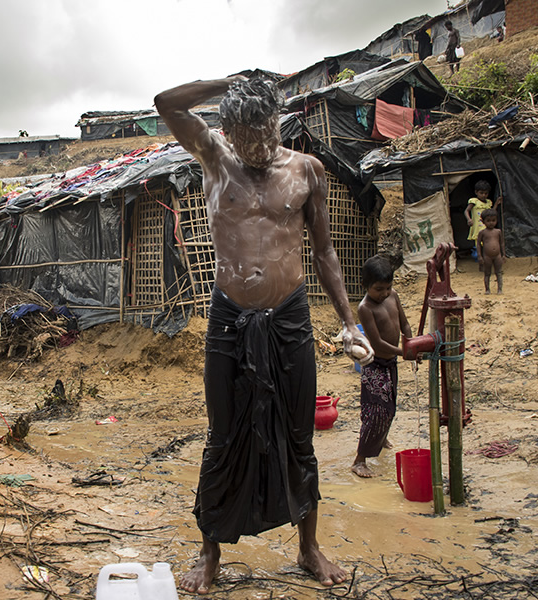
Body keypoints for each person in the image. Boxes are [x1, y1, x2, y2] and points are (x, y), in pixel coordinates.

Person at [155, 76, 374, 594]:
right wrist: (227, 82)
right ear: (228, 130)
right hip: (230, 318)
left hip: (290, 317)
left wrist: (349, 323)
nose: (259, 147)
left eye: (266, 132)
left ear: (277, 122)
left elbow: (324, 253)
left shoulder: (307, 171)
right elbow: (165, 103)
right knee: (223, 433)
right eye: (246, 135)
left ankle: (308, 547)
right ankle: (210, 552)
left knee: (299, 433)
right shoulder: (214, 156)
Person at [352, 256, 412, 478]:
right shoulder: (365, 308)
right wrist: (405, 351)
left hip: (391, 362)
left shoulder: (393, 296)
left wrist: (410, 339)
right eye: (379, 289)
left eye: (388, 287)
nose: (384, 293)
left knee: (390, 406)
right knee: (376, 411)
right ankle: (359, 460)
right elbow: (376, 343)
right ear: (364, 286)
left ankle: (381, 436)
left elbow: (404, 323)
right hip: (374, 365)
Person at [476, 208, 505, 294]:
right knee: (487, 273)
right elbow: (478, 244)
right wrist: (479, 256)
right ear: (483, 221)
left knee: (499, 272)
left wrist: (504, 255)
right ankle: (487, 289)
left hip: (498, 256)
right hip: (487, 256)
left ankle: (500, 289)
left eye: (493, 220)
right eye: (488, 221)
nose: (491, 223)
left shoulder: (498, 231)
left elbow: (502, 243)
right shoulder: (482, 233)